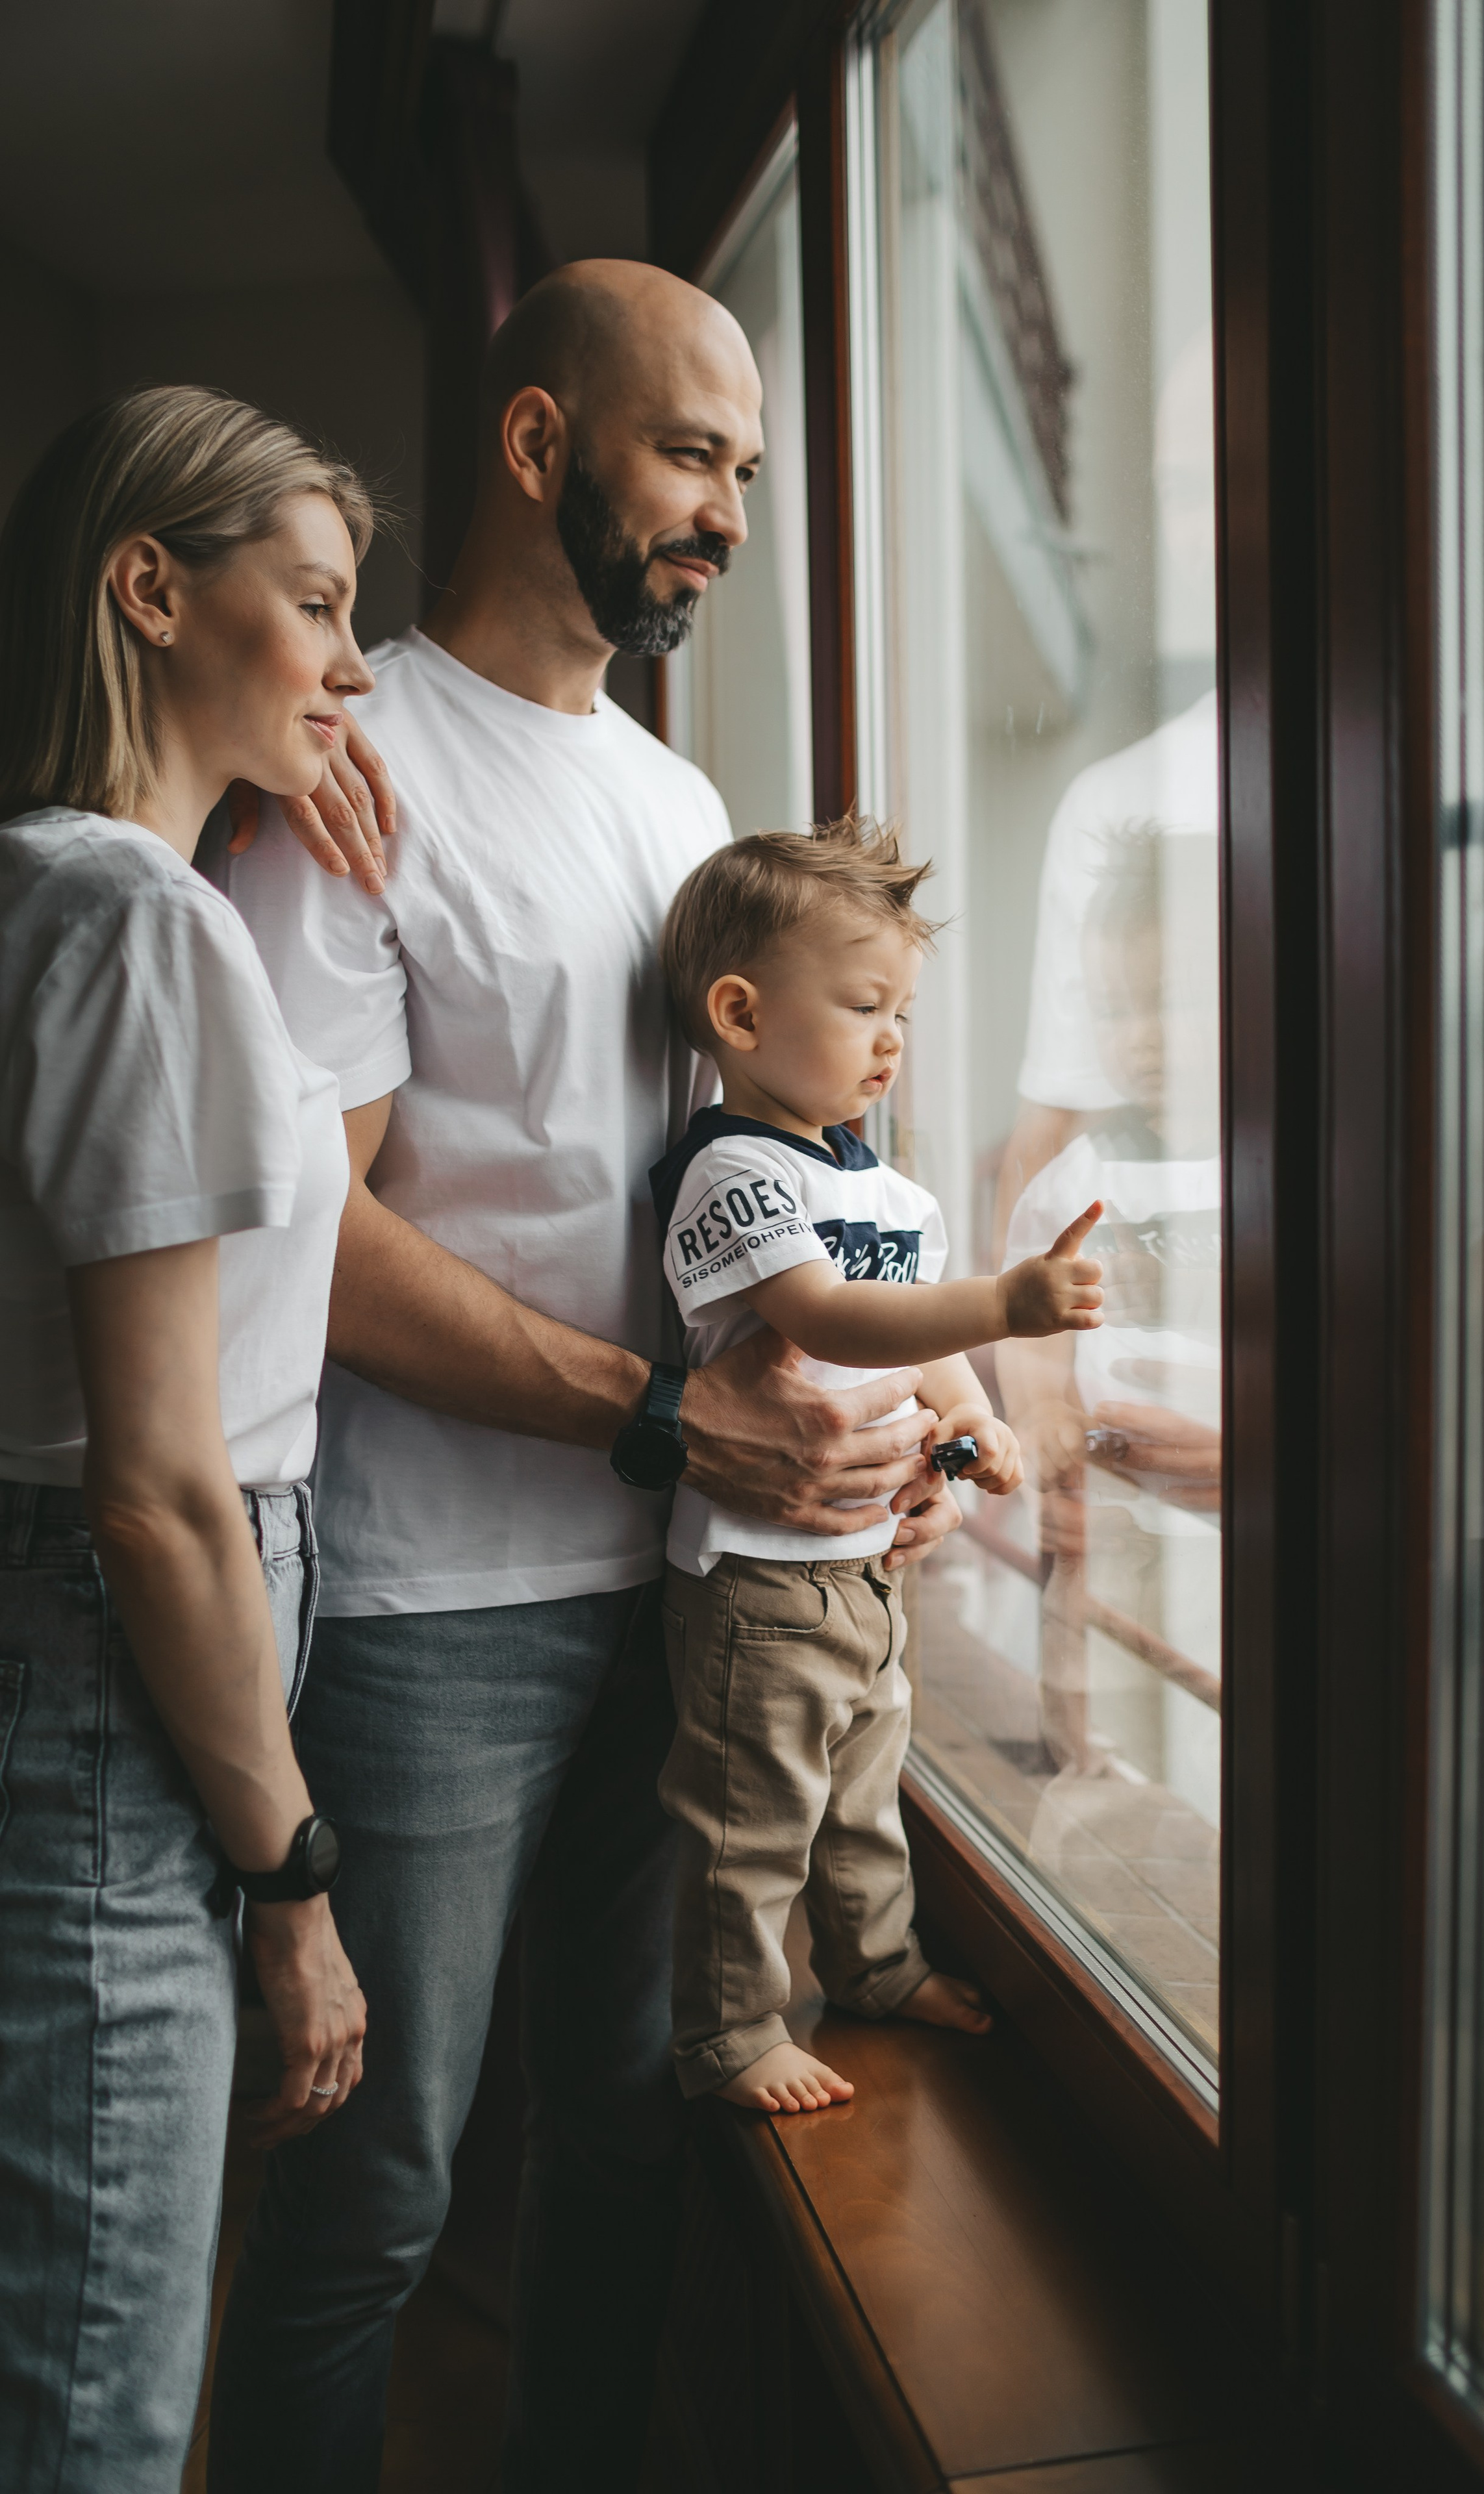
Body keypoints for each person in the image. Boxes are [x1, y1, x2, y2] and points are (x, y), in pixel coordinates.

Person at [205, 260, 963, 2493]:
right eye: (691, 455)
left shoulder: (679, 796)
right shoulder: (353, 773)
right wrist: (654, 1413)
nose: (725, 509)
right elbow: (297, 1242)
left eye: (748, 467)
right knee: (382, 2191)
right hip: (435, 1619)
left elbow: (777, 1199)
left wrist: (887, 1417)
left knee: (633, 2146)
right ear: (540, 445)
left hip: (698, 1597)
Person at [0, 384, 373, 2494]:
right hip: (123, 1712)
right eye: (313, 606)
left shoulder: (61, 897)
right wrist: (290, 1885)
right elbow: (156, 1495)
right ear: (152, 589)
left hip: (75, 1671)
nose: (347, 662)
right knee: (94, 2415)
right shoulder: (139, 928)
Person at [652, 816, 1104, 2112]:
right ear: (739, 1013)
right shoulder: (731, 1170)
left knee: (862, 1786)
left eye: (901, 1008)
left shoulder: (889, 1195)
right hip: (755, 1574)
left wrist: (977, 1425)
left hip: (863, 1563)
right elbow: (831, 1320)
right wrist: (1003, 1309)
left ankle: (874, 1966)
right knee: (751, 1816)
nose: (892, 1038)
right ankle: (730, 2032)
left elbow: (916, 1355)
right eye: (862, 1005)